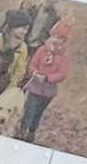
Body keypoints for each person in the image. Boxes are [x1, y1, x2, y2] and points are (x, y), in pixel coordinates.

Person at [18, 13, 71, 143]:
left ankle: (31, 132)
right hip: (35, 86)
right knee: (29, 109)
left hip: (48, 91)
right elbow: (32, 64)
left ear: (64, 41)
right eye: (54, 36)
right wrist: (35, 72)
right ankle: (22, 131)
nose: (56, 40)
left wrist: (48, 78)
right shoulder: (42, 50)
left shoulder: (63, 56)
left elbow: (62, 73)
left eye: (60, 38)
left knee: (38, 113)